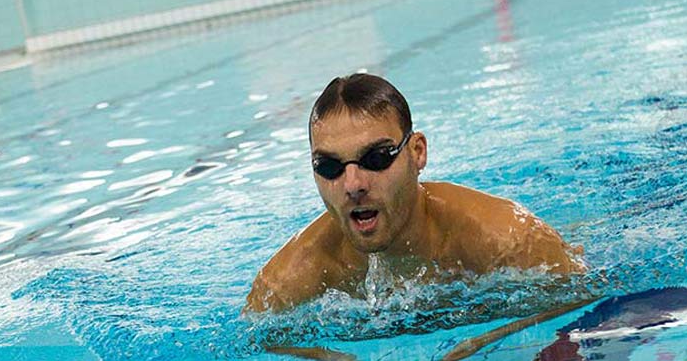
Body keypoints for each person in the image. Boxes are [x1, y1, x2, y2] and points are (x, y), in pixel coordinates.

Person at [246, 73, 584, 314]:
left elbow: (582, 297)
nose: (353, 185)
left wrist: (488, 335)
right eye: (329, 166)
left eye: (376, 158)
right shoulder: (284, 285)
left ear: (417, 152)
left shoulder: (507, 240)